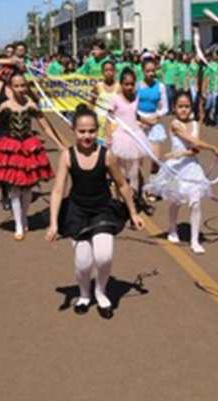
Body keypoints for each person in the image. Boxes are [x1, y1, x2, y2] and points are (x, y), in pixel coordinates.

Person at [45, 105, 144, 318]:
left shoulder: (107, 156)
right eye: (82, 131)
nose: (87, 136)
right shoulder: (67, 156)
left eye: (91, 131)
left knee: (104, 256)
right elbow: (57, 191)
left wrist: (134, 213)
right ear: (74, 130)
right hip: (77, 211)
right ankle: (84, 294)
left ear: (97, 130)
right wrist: (53, 223)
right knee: (82, 263)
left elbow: (122, 185)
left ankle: (100, 291)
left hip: (102, 210)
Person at [0, 71, 66, 241]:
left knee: (28, 186)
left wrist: (59, 144)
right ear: (10, 87)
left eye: (23, 85)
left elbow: (45, 127)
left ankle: (23, 215)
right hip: (12, 147)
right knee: (14, 187)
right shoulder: (5, 106)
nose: (20, 89)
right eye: (17, 86)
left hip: (28, 146)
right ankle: (18, 224)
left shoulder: (32, 106)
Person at [145, 92, 218, 254]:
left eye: (186, 106)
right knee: (176, 201)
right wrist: (212, 148)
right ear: (174, 108)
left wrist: (182, 154)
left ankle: (194, 240)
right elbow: (193, 141)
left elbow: (195, 149)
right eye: (180, 106)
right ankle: (172, 229)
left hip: (192, 167)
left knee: (195, 202)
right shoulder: (174, 124)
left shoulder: (195, 124)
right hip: (176, 169)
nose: (184, 110)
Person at [108, 69, 149, 209]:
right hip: (120, 137)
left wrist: (148, 121)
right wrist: (108, 134)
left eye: (132, 84)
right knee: (119, 172)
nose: (129, 87)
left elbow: (137, 115)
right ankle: (119, 202)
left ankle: (134, 202)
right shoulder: (116, 99)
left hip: (135, 136)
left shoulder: (137, 98)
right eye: (126, 84)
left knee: (135, 171)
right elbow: (109, 117)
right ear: (121, 84)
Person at [137, 58, 168, 179]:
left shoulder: (160, 86)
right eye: (148, 71)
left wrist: (156, 116)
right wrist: (142, 120)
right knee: (138, 161)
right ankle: (137, 188)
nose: (151, 74)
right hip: (139, 123)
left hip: (154, 123)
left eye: (153, 71)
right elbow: (132, 106)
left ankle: (152, 188)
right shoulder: (136, 86)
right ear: (143, 71)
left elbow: (165, 108)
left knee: (156, 159)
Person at [89, 60, 119, 146]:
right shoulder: (98, 86)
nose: (109, 73)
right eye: (106, 70)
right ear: (102, 72)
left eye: (111, 70)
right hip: (100, 123)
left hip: (114, 123)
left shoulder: (119, 87)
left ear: (114, 72)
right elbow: (92, 103)